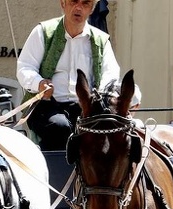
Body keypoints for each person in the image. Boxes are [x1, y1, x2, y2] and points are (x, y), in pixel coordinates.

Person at [16, 0, 121, 150]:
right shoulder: (43, 32)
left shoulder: (101, 40)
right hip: (46, 105)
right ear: (63, 3)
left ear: (91, 9)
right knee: (60, 127)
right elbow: (24, 67)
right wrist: (39, 83)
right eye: (73, 1)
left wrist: (101, 94)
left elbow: (110, 74)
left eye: (85, 3)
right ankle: (53, 170)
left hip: (85, 107)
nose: (78, 7)